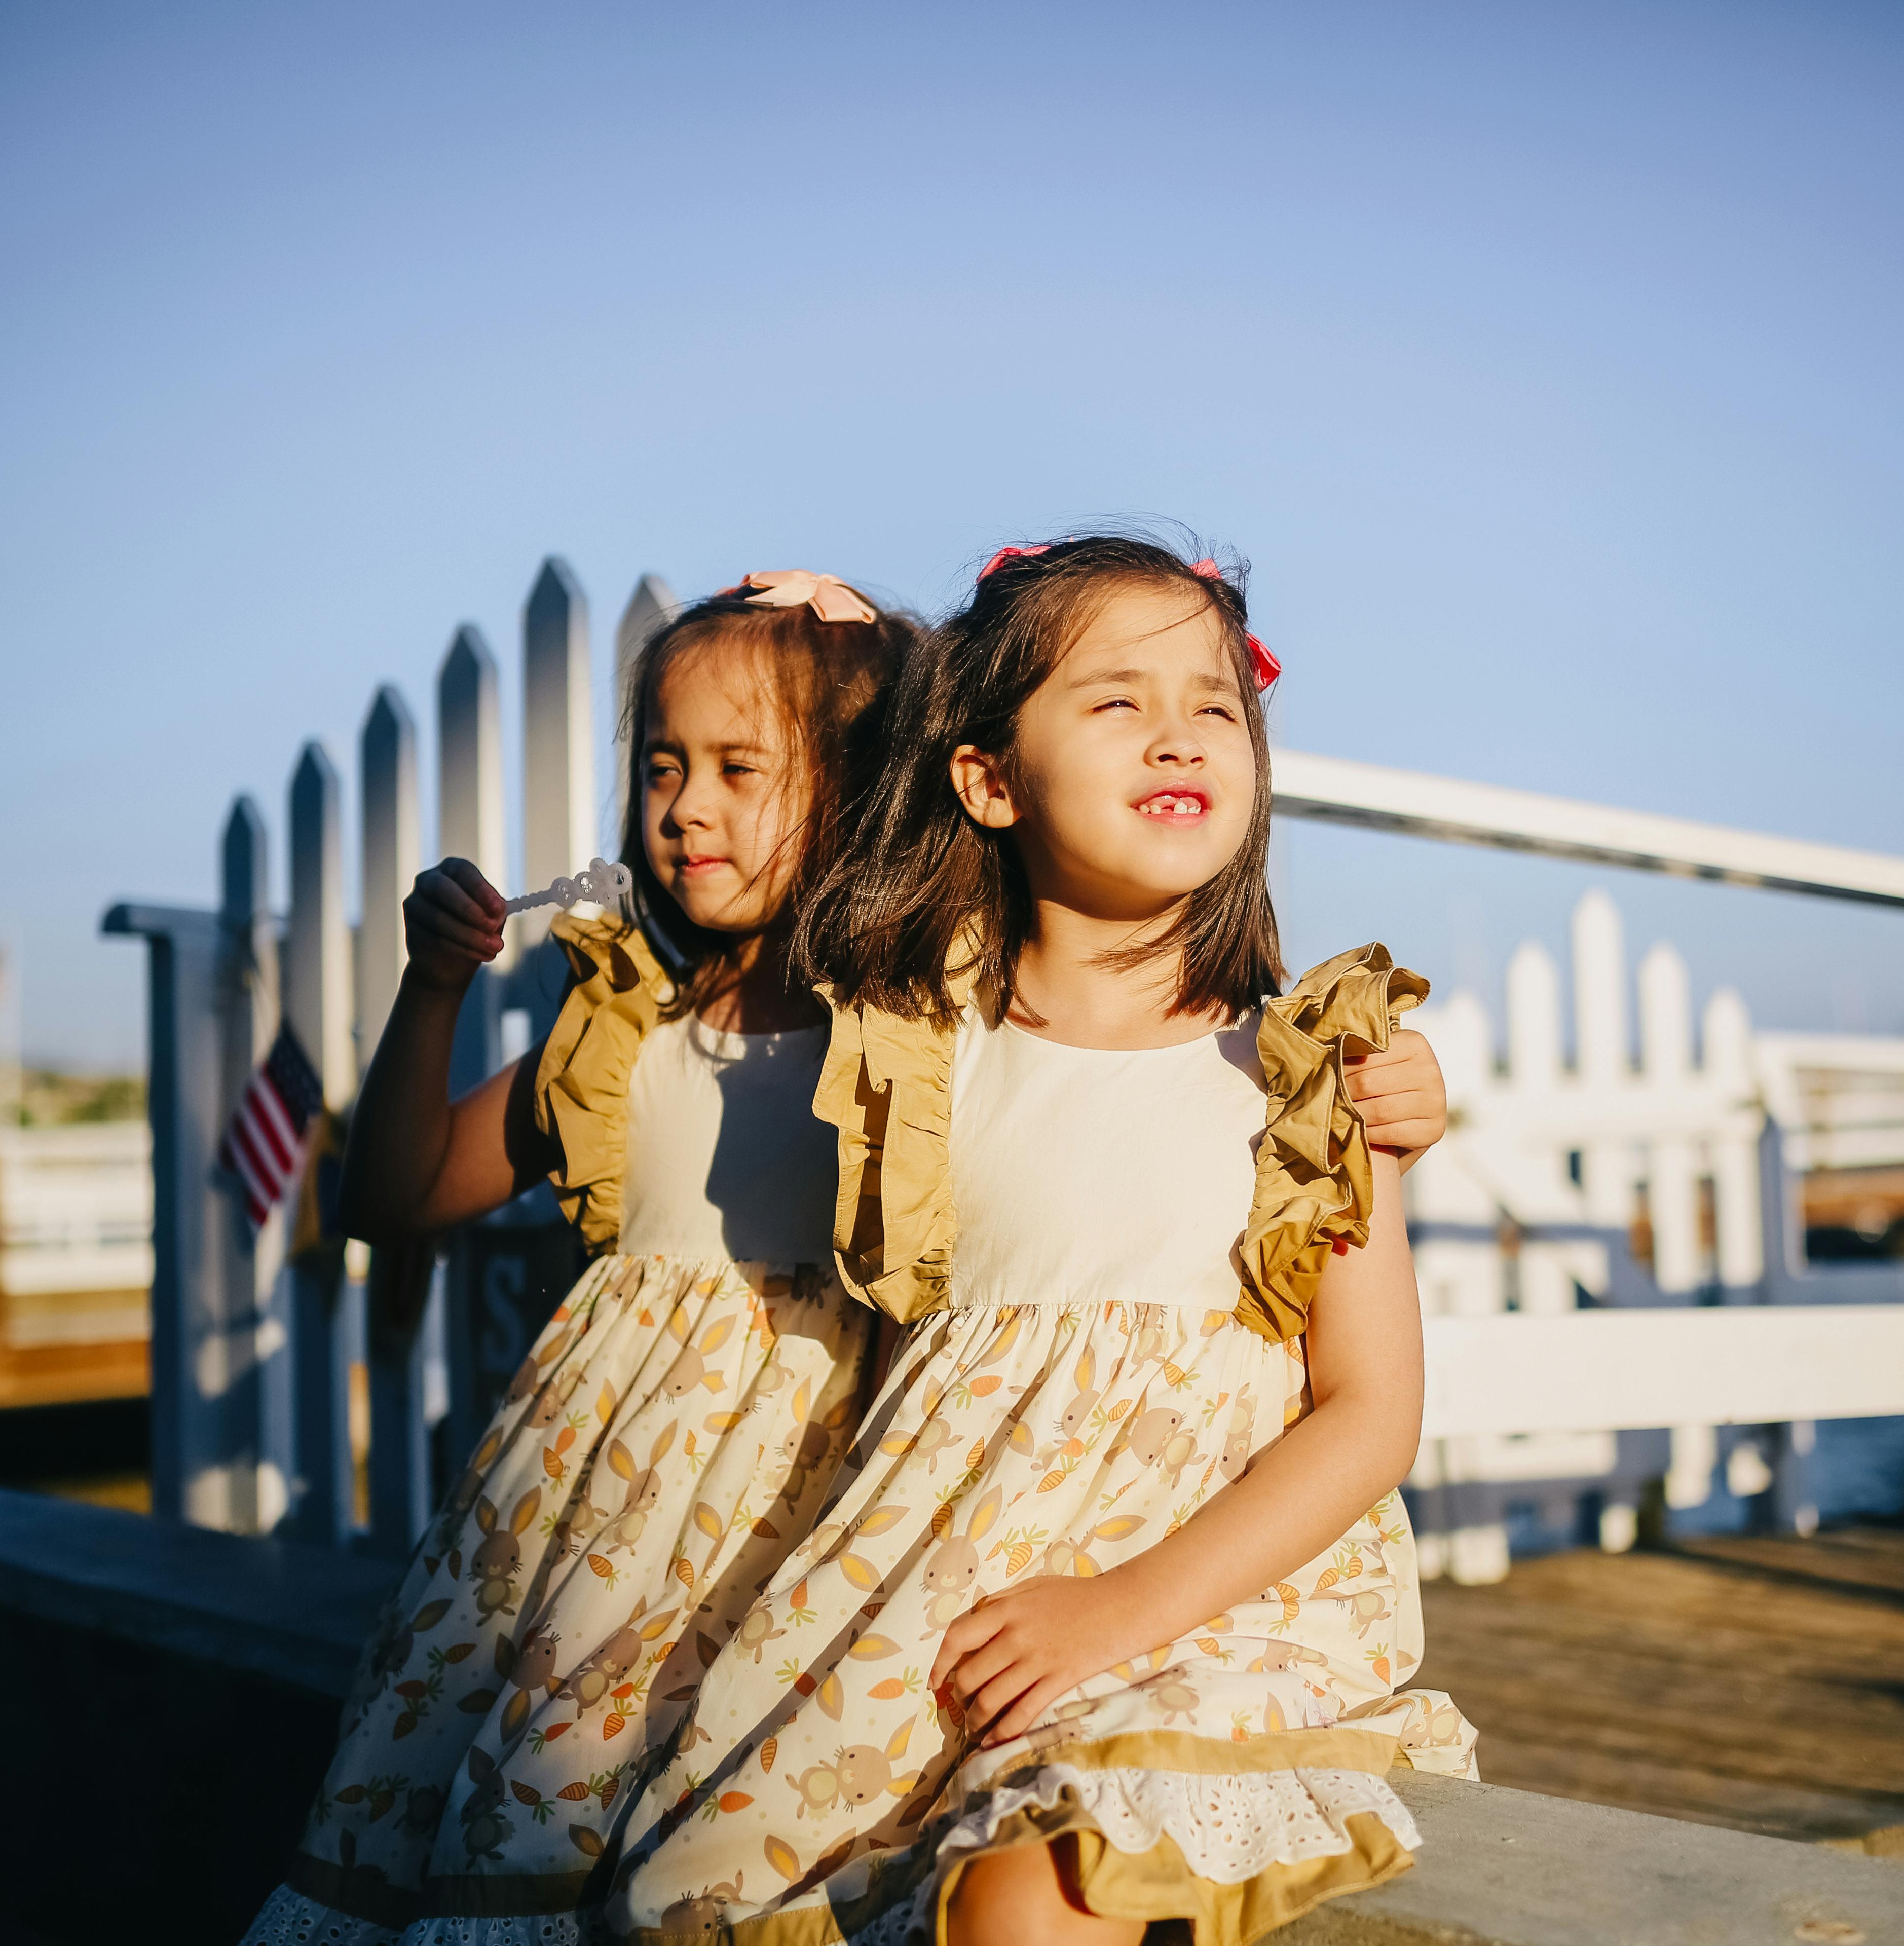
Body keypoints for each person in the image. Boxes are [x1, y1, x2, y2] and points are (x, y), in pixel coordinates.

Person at [244, 568, 1458, 1946]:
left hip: (1131, 1583)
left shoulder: (1272, 1067)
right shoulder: (875, 1047)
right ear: (982, 777)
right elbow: (394, 1191)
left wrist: (890, 650)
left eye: (744, 768)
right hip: (735, 1547)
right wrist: (439, 983)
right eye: (666, 768)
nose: (692, 805)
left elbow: (1371, 1409)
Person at [607, 536, 1474, 1946]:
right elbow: (800, 795)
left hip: (1208, 1604)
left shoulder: (1314, 1065)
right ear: (989, 779)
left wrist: (1117, 1609)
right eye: (1117, 700)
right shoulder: (921, 1051)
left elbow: (1371, 1417)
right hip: (947, 1592)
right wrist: (823, 634)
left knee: (1029, 1902)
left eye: (1213, 703)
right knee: (697, 1893)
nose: (1183, 730)